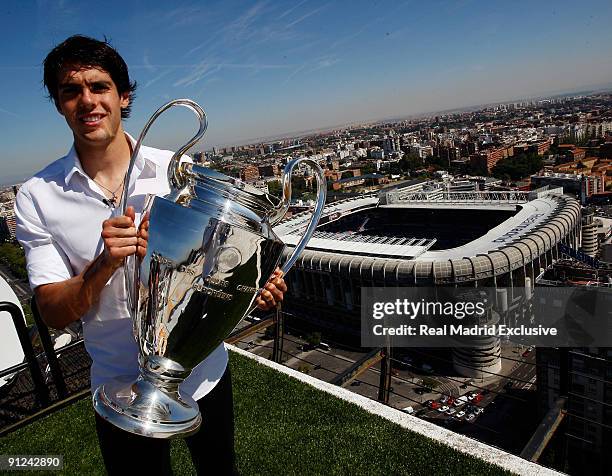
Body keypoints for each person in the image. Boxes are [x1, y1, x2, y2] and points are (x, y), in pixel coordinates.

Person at [15, 35, 286, 475]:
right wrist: (103, 265)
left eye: (99, 87)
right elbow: (51, 311)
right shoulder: (37, 197)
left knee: (221, 470)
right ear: (59, 104)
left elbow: (221, 266)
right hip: (118, 386)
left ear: (123, 96)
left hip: (200, 371)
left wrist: (253, 288)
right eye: (71, 91)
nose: (87, 101)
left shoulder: (177, 174)